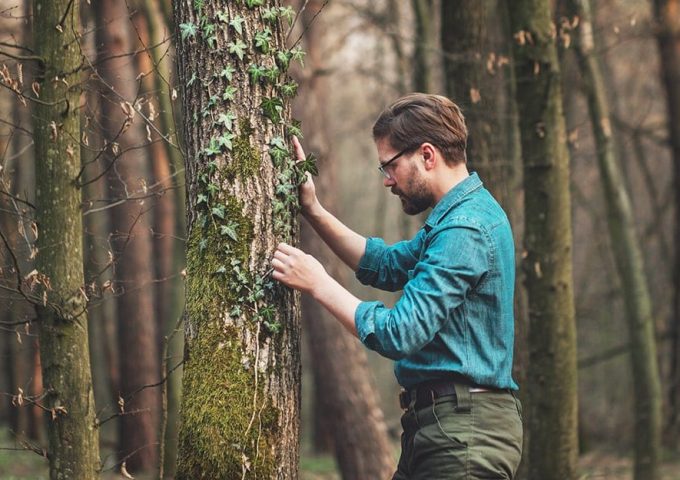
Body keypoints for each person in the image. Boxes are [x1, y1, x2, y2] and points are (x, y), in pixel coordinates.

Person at [271, 93, 523, 479]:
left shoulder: (465, 230)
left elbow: (399, 332)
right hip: (442, 429)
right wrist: (314, 211)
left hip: (464, 438)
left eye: (390, 165)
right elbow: (386, 265)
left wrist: (318, 283)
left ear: (427, 155)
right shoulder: (456, 219)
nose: (387, 180)